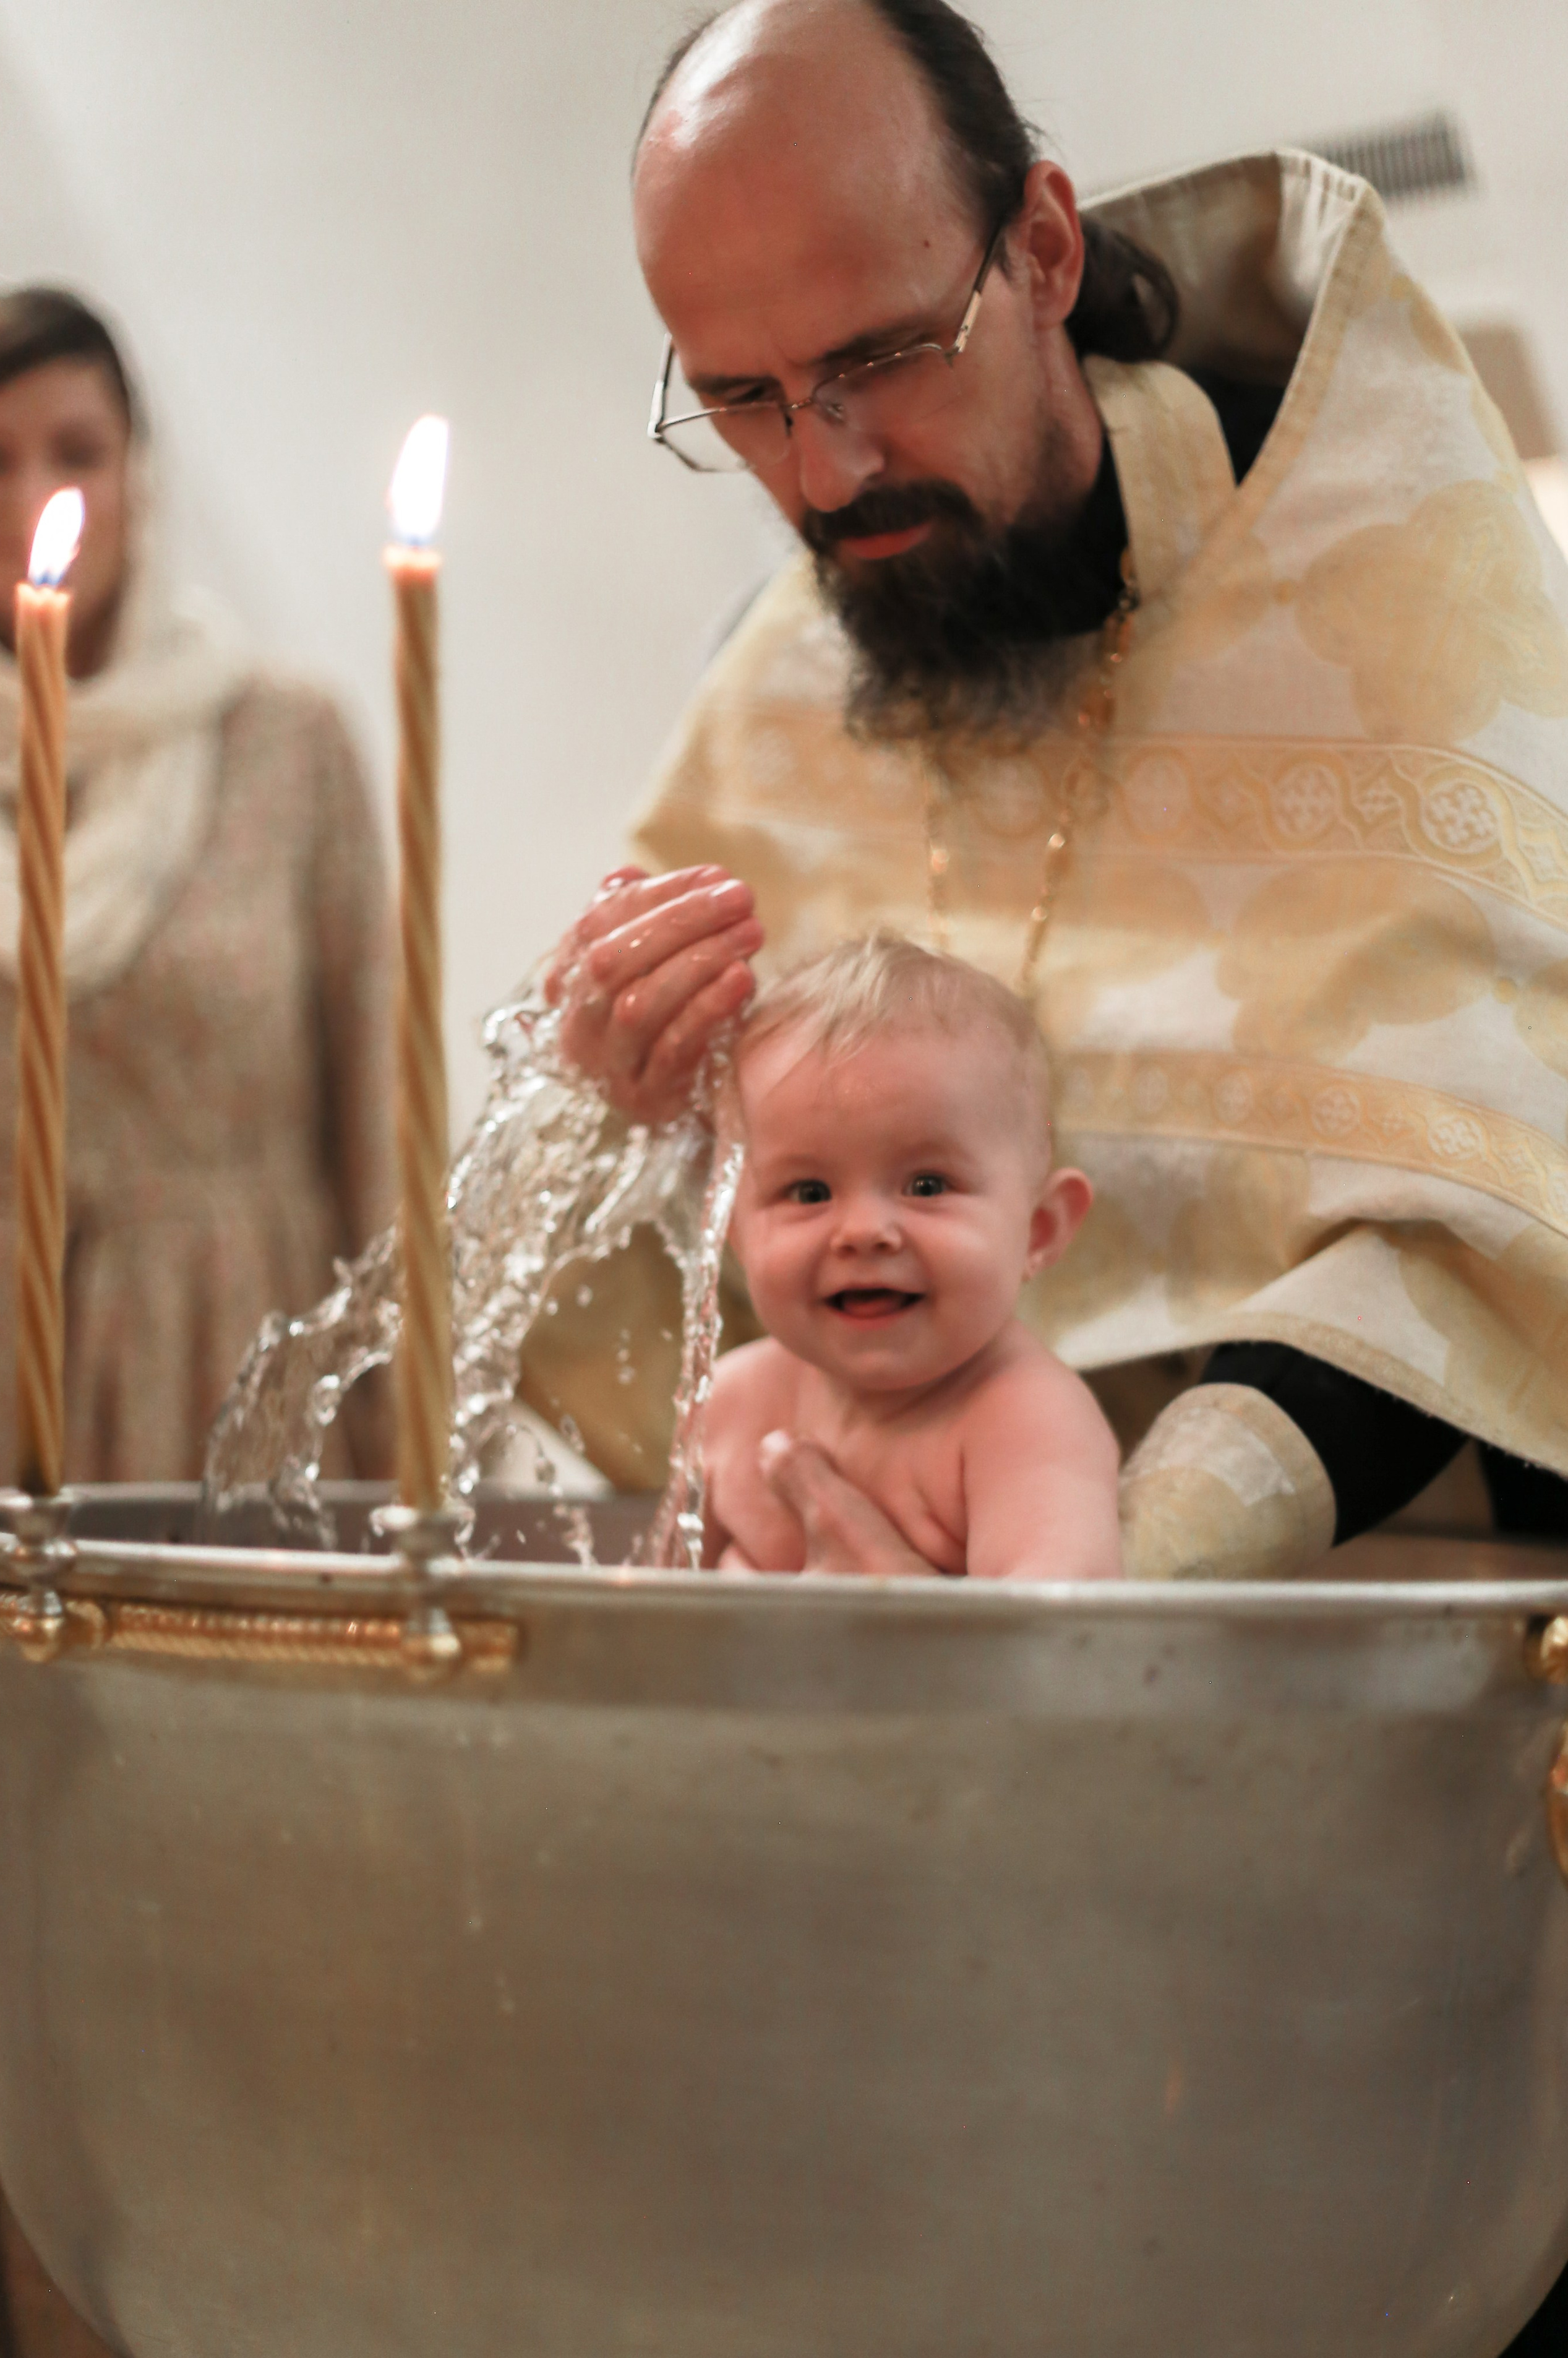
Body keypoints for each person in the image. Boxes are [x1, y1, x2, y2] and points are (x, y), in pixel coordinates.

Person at [524, 0, 1568, 1603]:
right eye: (743, 399)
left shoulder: (1385, 584)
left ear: (1045, 252)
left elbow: (1480, 1209)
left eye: (878, 359)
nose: (824, 474)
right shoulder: (792, 666)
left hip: (1374, 1632)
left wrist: (1084, 1583)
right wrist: (627, 1119)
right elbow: (688, 1270)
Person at [0, 286, 394, 1485]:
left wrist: (404, 1434)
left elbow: (375, 1116)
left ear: (140, 479)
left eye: (76, 454)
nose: (31, 505)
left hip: (231, 1356)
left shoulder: (282, 743)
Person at [703, 932, 1120, 1575]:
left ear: (1038, 1229)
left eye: (927, 1185)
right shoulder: (732, 1402)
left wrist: (896, 1603)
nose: (864, 1231)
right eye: (808, 1191)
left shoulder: (1024, 1423)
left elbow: (1056, 1651)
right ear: (735, 1232)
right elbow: (648, 1629)